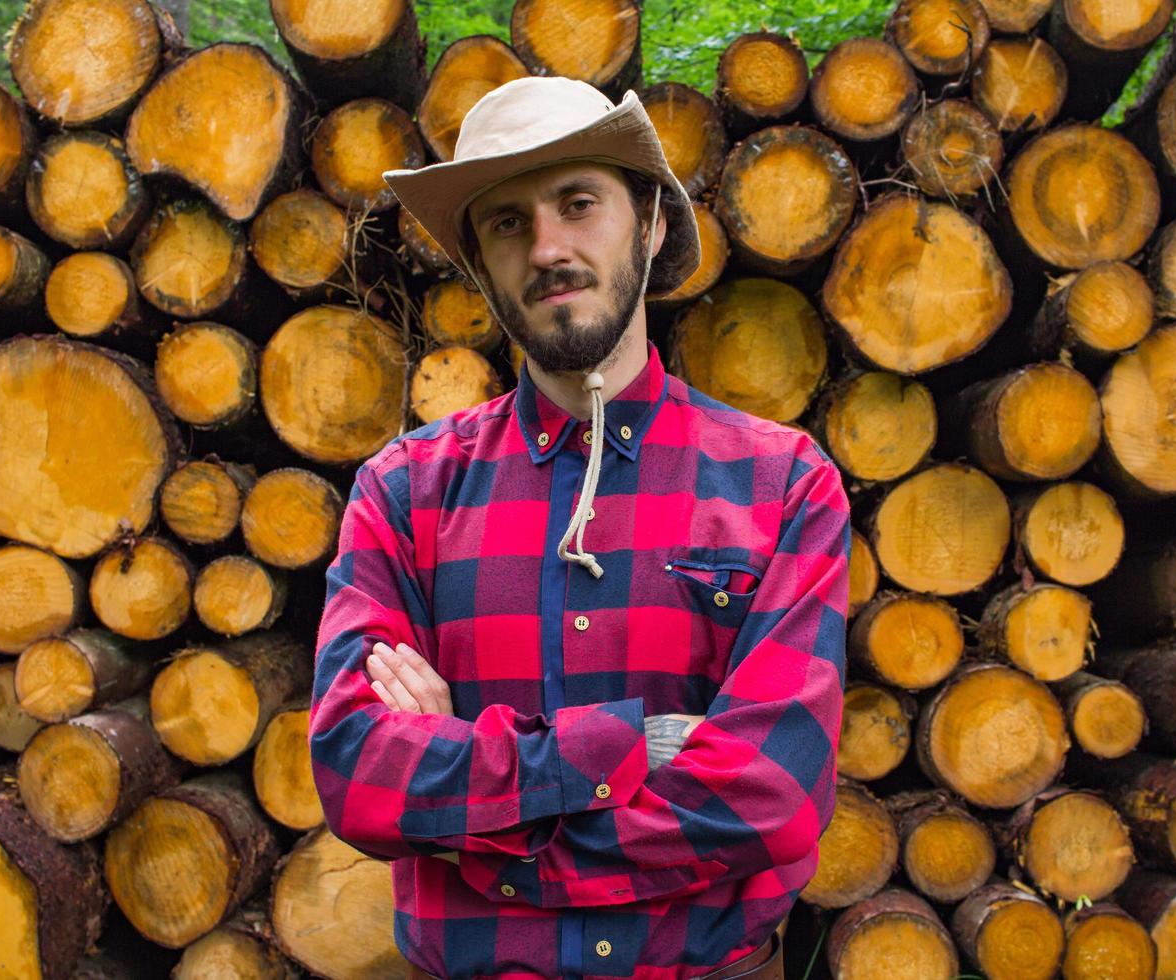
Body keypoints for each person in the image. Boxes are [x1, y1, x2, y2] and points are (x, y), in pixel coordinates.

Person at [310, 75, 851, 979]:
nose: (549, 248)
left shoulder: (783, 486)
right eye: (508, 223)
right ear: (482, 262)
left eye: (579, 203)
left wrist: (473, 826)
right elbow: (360, 773)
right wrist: (641, 743)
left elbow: (775, 794)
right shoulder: (404, 495)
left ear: (649, 223)